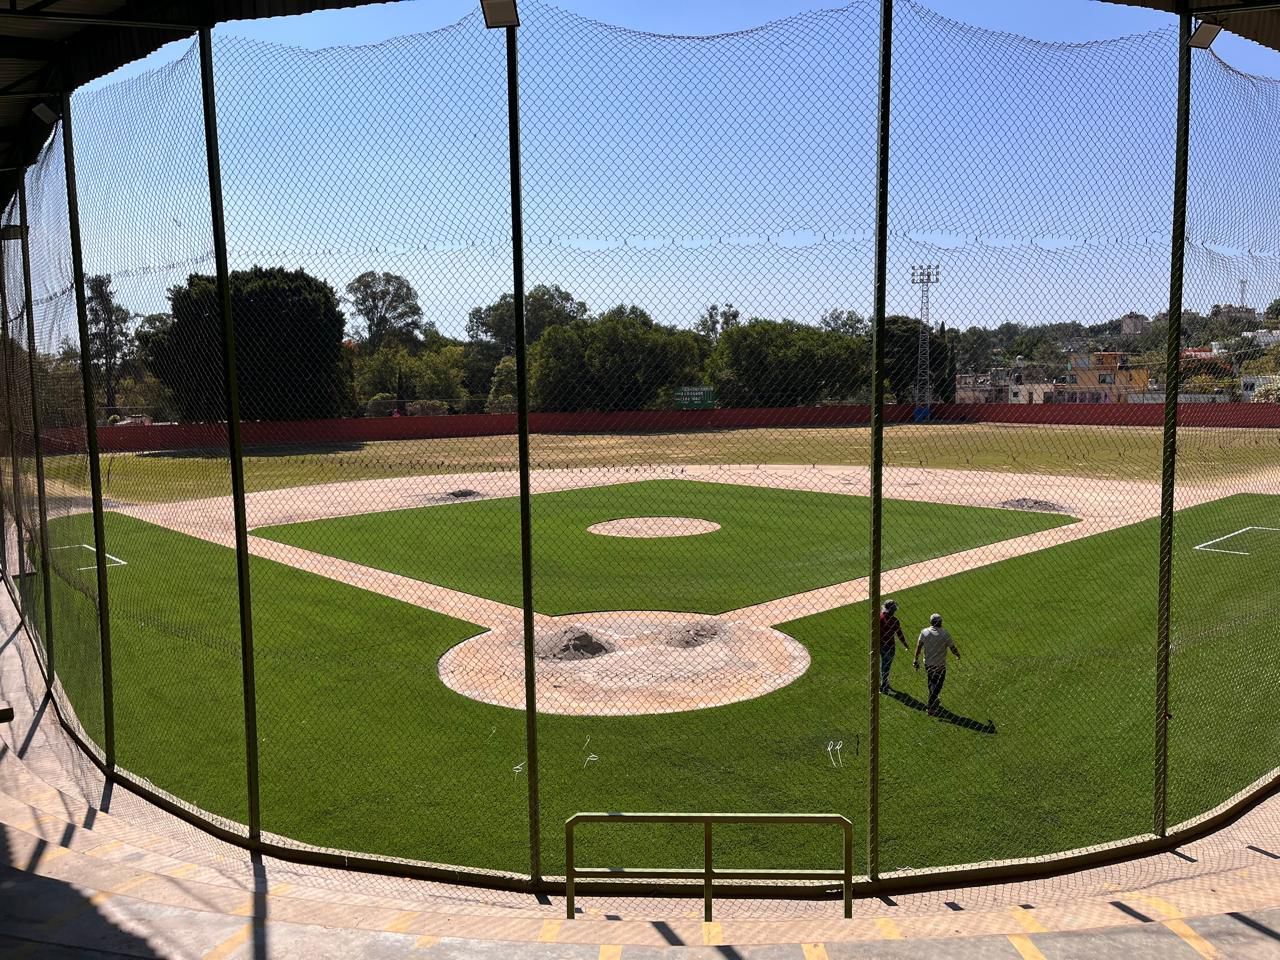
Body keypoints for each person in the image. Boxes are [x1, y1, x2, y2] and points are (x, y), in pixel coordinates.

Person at [914, 613, 960, 716]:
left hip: (928, 664)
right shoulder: (945, 634)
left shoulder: (924, 632)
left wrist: (915, 659)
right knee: (937, 685)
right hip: (940, 664)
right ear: (940, 622)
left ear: (931, 622)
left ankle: (933, 700)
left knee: (931, 682)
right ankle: (931, 707)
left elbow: (919, 646)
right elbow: (952, 647)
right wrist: (957, 654)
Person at [878, 599, 908, 694]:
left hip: (879, 645)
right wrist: (905, 644)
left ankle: (884, 683)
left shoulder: (879, 617)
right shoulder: (894, 620)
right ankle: (884, 686)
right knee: (886, 666)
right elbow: (899, 634)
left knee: (883, 665)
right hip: (889, 646)